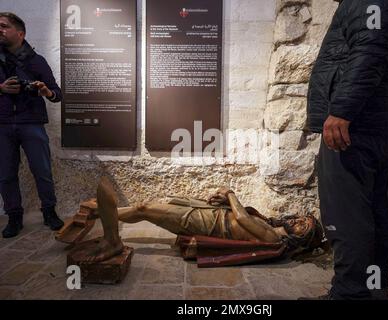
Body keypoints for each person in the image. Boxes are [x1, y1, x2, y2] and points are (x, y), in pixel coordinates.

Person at [304, 0, 388, 300]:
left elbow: (371, 51)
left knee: (348, 216)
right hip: (369, 124)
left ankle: (350, 294)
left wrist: (341, 110)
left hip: (355, 127)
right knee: (371, 212)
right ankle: (374, 289)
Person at [57, 177, 326, 265]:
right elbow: (240, 216)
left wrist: (231, 193)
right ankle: (102, 215)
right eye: (304, 219)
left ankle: (113, 240)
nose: (301, 221)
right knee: (144, 209)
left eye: (306, 227)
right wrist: (225, 202)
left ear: (301, 238)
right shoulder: (271, 223)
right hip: (209, 214)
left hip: (204, 223)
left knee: (145, 208)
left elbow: (242, 218)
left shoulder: (274, 239)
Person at [0, 12, 64, 238]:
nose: (0, 30)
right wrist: (1, 89)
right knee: (5, 174)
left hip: (32, 123)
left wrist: (46, 91)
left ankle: (49, 212)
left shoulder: (37, 61)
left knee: (42, 171)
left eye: (4, 26)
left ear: (20, 33)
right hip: (3, 124)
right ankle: (14, 217)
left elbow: (57, 94)